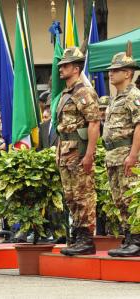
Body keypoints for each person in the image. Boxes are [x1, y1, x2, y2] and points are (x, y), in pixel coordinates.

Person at [56, 47, 100, 256]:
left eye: (65, 65)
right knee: (71, 196)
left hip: (79, 152)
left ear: (76, 68)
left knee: (83, 195)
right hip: (66, 153)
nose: (60, 68)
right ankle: (77, 234)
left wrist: (89, 154)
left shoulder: (84, 92)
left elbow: (93, 123)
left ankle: (86, 238)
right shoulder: (67, 92)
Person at [103, 46, 140, 257]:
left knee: (130, 198)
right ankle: (128, 237)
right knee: (120, 200)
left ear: (127, 73)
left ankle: (136, 239)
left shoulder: (133, 96)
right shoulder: (115, 97)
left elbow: (139, 125)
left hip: (127, 155)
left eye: (115, 70)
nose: (110, 73)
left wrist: (133, 155)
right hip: (113, 157)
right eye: (110, 70)